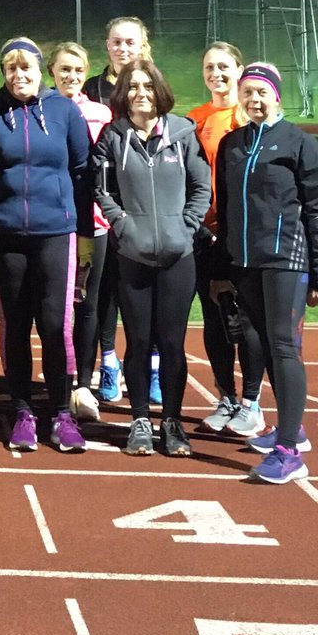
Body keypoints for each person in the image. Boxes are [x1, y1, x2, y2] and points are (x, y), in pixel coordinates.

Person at [215, 63, 318, 484]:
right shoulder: (233, 144)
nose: (254, 100)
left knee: (284, 347)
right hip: (246, 263)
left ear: (276, 96)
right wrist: (223, 265)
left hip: (287, 260)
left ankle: (289, 453)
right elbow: (227, 211)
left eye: (262, 93)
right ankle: (291, 430)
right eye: (247, 93)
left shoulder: (299, 144)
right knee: (263, 344)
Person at [0, 38, 91, 454]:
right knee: (16, 326)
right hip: (4, 234)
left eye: (26, 68)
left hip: (56, 233)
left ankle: (61, 413)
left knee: (55, 326)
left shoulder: (63, 110)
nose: (19, 75)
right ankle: (23, 411)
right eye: (11, 69)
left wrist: (83, 232)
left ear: (39, 70)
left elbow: (81, 170)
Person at [91, 58, 211, 458]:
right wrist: (122, 225)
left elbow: (201, 186)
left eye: (147, 86)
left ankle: (172, 422)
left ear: (160, 90)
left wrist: (187, 225)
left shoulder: (183, 133)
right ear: (122, 94)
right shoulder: (112, 137)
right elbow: (102, 188)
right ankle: (140, 419)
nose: (140, 93)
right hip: (132, 255)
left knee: (172, 343)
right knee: (139, 341)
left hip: (179, 256)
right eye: (132, 87)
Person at [187, 42, 266, 437]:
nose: (216, 73)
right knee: (215, 319)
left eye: (223, 66)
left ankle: (252, 402)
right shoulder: (193, 119)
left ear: (238, 69)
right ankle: (226, 397)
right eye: (209, 67)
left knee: (246, 318)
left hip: (243, 236)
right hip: (204, 234)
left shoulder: (249, 117)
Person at [81, 15, 159, 407]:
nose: (123, 48)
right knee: (106, 288)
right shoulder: (93, 87)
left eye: (130, 42)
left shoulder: (153, 86)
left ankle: (153, 365)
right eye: (116, 42)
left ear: (143, 45)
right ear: (106, 46)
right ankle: (108, 362)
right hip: (104, 204)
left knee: (148, 286)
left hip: (146, 203)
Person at [48, 41, 112, 422]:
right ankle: (60, 379)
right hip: (53, 225)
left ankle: (83, 385)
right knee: (57, 308)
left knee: (88, 304)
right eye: (63, 69)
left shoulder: (100, 113)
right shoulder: (43, 109)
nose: (70, 76)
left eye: (77, 69)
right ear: (51, 72)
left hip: (94, 225)